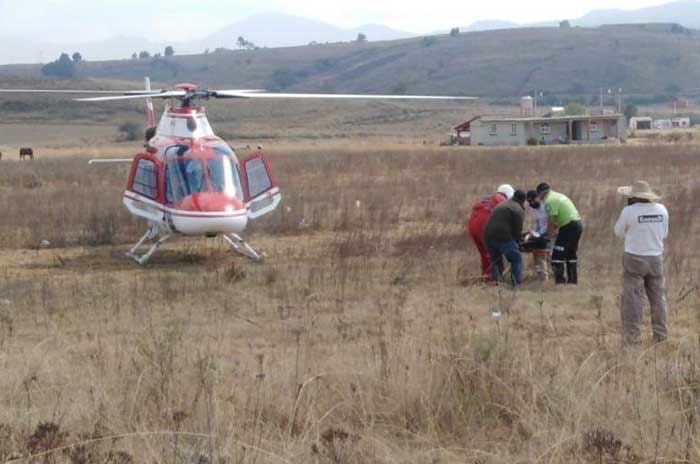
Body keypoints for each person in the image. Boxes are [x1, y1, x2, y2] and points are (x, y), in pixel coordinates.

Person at [614, 180, 669, 344]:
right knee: (658, 298)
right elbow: (664, 233)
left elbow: (618, 232)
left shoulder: (629, 211)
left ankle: (632, 338)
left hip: (634, 258)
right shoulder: (662, 209)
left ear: (633, 197)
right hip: (656, 258)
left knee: (633, 299)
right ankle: (661, 335)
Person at [536, 183, 582, 284]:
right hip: (577, 225)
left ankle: (560, 282)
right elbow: (557, 220)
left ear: (541, 194)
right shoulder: (558, 195)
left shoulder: (549, 201)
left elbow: (551, 221)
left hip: (568, 227)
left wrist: (548, 236)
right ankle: (572, 282)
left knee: (557, 255)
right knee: (571, 254)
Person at [467, 184, 515, 281]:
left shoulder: (486, 199)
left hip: (472, 225)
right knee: (492, 252)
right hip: (484, 225)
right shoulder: (502, 201)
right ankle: (494, 278)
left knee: (484, 253)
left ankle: (486, 276)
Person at [483, 189, 527, 285]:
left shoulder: (502, 204)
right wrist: (518, 243)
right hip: (503, 236)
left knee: (496, 260)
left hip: (487, 236)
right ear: (523, 200)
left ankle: (497, 282)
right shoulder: (518, 209)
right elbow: (517, 230)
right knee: (516, 258)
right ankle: (516, 283)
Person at [521, 190, 550, 281]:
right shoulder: (534, 209)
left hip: (550, 233)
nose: (531, 203)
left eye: (532, 200)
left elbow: (551, 223)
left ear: (538, 198)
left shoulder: (546, 207)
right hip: (540, 234)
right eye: (529, 201)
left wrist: (542, 234)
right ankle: (540, 276)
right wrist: (534, 233)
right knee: (536, 253)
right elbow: (538, 223)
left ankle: (546, 278)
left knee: (544, 255)